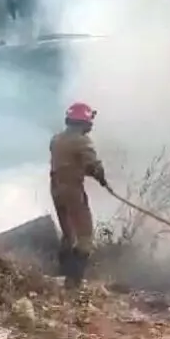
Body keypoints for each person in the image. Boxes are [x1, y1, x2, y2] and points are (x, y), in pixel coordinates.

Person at [49, 101, 109, 290]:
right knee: (84, 237)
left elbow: (68, 161)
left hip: (56, 189)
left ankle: (61, 274)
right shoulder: (82, 141)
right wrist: (101, 178)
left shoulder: (56, 139)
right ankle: (73, 284)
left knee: (68, 234)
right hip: (73, 192)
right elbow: (92, 165)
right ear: (85, 122)